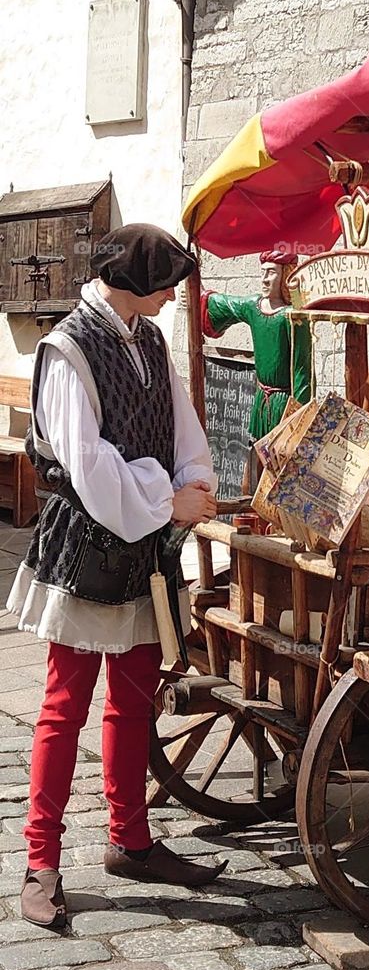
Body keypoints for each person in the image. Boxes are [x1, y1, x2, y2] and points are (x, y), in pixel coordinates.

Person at [7, 224, 227, 929]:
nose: (172, 296)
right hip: (88, 546)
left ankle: (130, 840)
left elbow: (181, 425)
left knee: (134, 699)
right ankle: (40, 863)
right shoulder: (69, 350)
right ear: (134, 283)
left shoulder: (148, 339)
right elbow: (86, 462)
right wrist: (168, 500)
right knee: (64, 706)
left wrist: (194, 484)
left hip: (145, 547)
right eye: (165, 284)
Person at [200, 250, 313, 441]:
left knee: (279, 458)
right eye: (263, 272)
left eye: (271, 272)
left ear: (286, 275)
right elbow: (224, 305)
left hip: (284, 403)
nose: (265, 279)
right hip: (262, 399)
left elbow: (302, 368)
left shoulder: (294, 316)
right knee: (256, 451)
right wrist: (199, 295)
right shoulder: (253, 306)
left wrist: (300, 415)